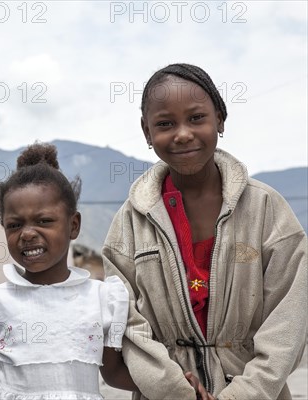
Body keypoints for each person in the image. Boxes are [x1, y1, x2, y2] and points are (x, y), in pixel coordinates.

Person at [103, 63, 307, 400]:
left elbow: (290, 319)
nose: (182, 133)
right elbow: (127, 324)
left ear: (220, 119)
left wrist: (243, 393)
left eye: (196, 118)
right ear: (146, 132)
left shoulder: (267, 209)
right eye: (165, 123)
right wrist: (174, 390)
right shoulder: (129, 223)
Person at [0, 142, 137, 400]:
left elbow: (113, 373)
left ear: (73, 225)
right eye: (15, 225)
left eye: (44, 221)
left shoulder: (101, 299)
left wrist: (172, 384)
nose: (27, 234)